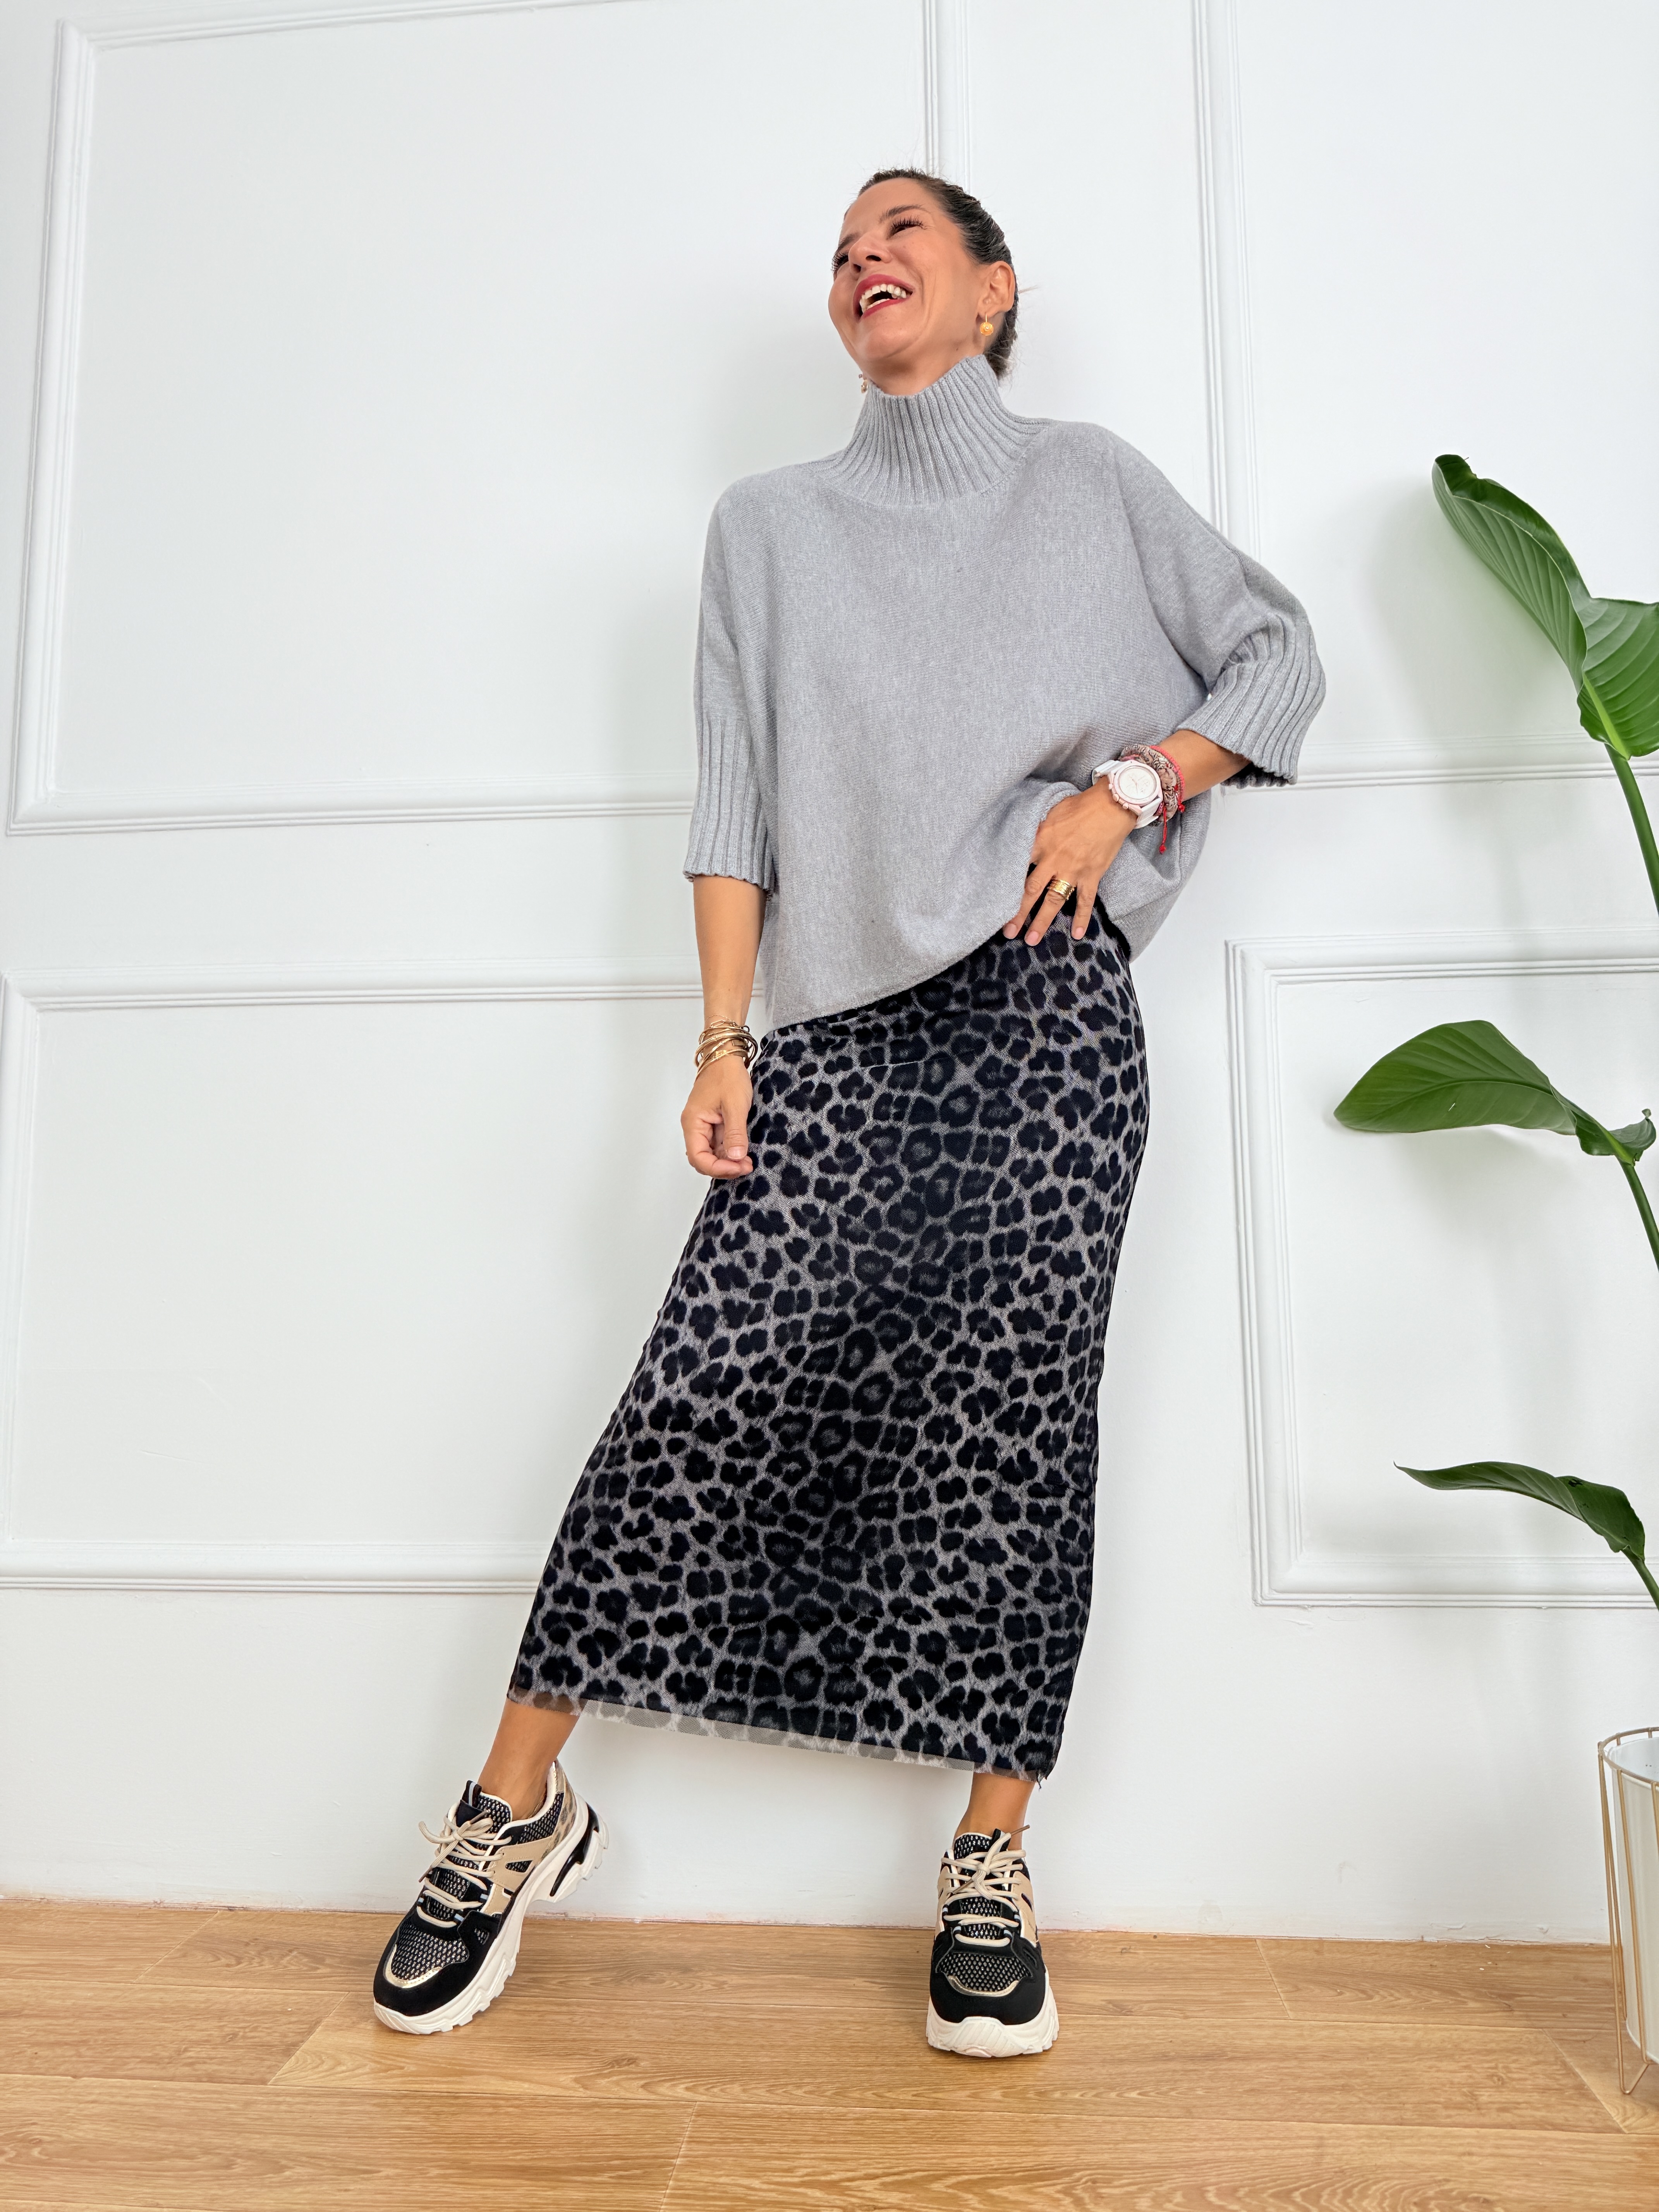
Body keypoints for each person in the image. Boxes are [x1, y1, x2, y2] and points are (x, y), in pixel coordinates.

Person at [370, 167, 1323, 2057]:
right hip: (825, 1035)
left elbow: (1280, 653)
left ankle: (990, 1860)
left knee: (1015, 1427)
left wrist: (1132, 789)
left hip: (1042, 1013)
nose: (864, 258)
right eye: (840, 248)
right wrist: (725, 1040)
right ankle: (513, 1817)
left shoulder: (1092, 485)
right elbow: (734, 801)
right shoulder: (770, 528)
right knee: (694, 1398)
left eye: (904, 233)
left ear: (992, 291)